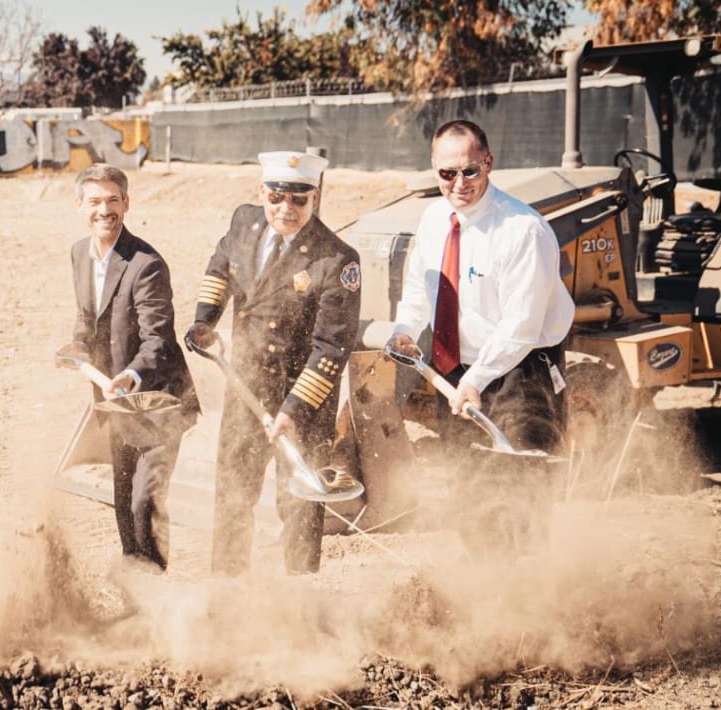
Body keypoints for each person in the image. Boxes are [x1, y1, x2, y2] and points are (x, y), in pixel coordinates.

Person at [386, 120, 574, 553]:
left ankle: (528, 599)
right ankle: (484, 595)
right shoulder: (434, 220)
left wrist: (477, 380)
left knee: (519, 490)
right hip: (456, 373)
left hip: (519, 373)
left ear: (488, 163)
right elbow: (420, 289)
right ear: (434, 170)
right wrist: (404, 332)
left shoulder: (522, 230)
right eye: (447, 173)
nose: (459, 183)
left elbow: (522, 324)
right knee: (469, 486)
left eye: (470, 171)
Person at [187, 150, 362, 576]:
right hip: (245, 387)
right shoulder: (244, 222)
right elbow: (220, 266)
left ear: (316, 197)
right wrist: (204, 320)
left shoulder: (337, 260)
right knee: (233, 491)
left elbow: (331, 350)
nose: (286, 209)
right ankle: (227, 587)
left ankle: (300, 595)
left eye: (299, 199)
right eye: (277, 197)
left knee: (299, 501)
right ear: (261, 192)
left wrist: (293, 412)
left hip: (301, 400)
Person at [62, 164, 198, 572]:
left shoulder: (146, 264)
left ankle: (154, 593)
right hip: (116, 405)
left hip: (158, 404)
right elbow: (87, 317)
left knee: (146, 500)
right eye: (94, 201)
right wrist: (78, 345)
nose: (104, 210)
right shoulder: (79, 254)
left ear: (127, 203)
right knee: (123, 500)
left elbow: (158, 339)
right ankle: (136, 593)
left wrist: (131, 375)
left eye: (112, 201)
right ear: (79, 205)